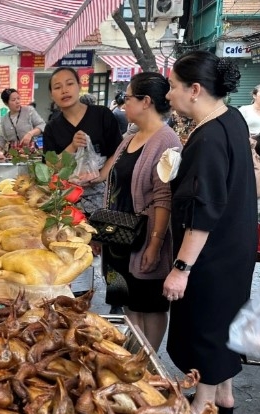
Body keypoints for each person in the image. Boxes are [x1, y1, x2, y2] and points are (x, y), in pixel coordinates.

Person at [163, 50, 257, 414]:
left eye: (172, 87)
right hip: (237, 245)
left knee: (203, 324)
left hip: (211, 253)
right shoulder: (231, 118)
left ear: (195, 90)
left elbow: (203, 212)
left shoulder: (208, 139)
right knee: (225, 322)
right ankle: (224, 393)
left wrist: (181, 269)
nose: (168, 95)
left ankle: (203, 406)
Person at [100, 72, 179, 351]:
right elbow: (111, 181)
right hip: (119, 237)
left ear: (146, 101)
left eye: (128, 98)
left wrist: (155, 245)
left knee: (150, 305)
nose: (124, 104)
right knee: (128, 301)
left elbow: (164, 197)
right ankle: (135, 356)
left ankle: (149, 363)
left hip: (145, 237)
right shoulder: (130, 137)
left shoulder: (166, 141)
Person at [43, 66, 123, 214]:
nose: (64, 90)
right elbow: (51, 167)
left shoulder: (102, 115)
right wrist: (72, 146)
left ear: (79, 86)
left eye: (69, 84)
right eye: (57, 87)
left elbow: (119, 150)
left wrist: (102, 175)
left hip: (104, 196)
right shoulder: (52, 128)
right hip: (68, 201)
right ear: (51, 94)